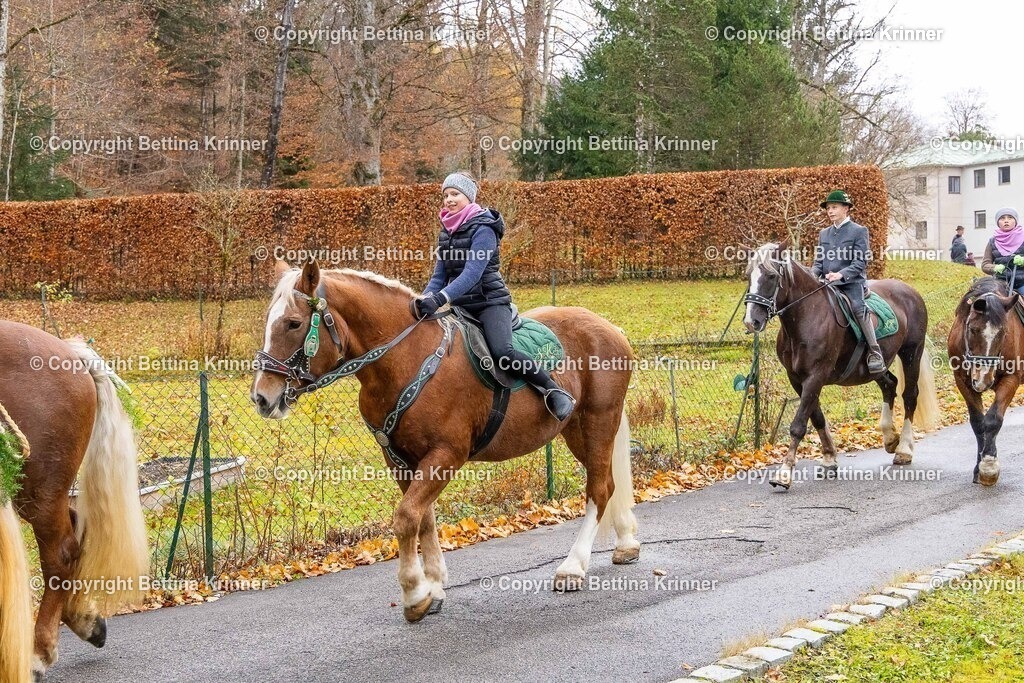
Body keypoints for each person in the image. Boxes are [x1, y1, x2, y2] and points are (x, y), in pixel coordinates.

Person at [415, 172, 576, 420]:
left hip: (489, 303)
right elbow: (439, 276)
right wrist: (424, 298)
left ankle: (554, 390)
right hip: (460, 307)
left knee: (503, 352)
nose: (448, 199)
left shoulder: (484, 228)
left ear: (468, 197)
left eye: (455, 194)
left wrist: (441, 298)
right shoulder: (446, 232)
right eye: (445, 195)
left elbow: (472, 273)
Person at [811, 189, 885, 374]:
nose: (830, 211)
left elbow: (861, 262)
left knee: (859, 309)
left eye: (834, 207)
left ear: (846, 208)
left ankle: (875, 352)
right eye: (828, 208)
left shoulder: (859, 231)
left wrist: (841, 274)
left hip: (852, 284)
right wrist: (812, 276)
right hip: (827, 283)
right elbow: (818, 262)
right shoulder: (824, 234)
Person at [981, 207, 1024, 295]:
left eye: (1010, 217)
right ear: (998, 222)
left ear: (1015, 221)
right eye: (1002, 218)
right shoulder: (992, 241)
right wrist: (995, 268)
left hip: (1022, 283)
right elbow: (984, 265)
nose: (1006, 221)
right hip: (1000, 284)